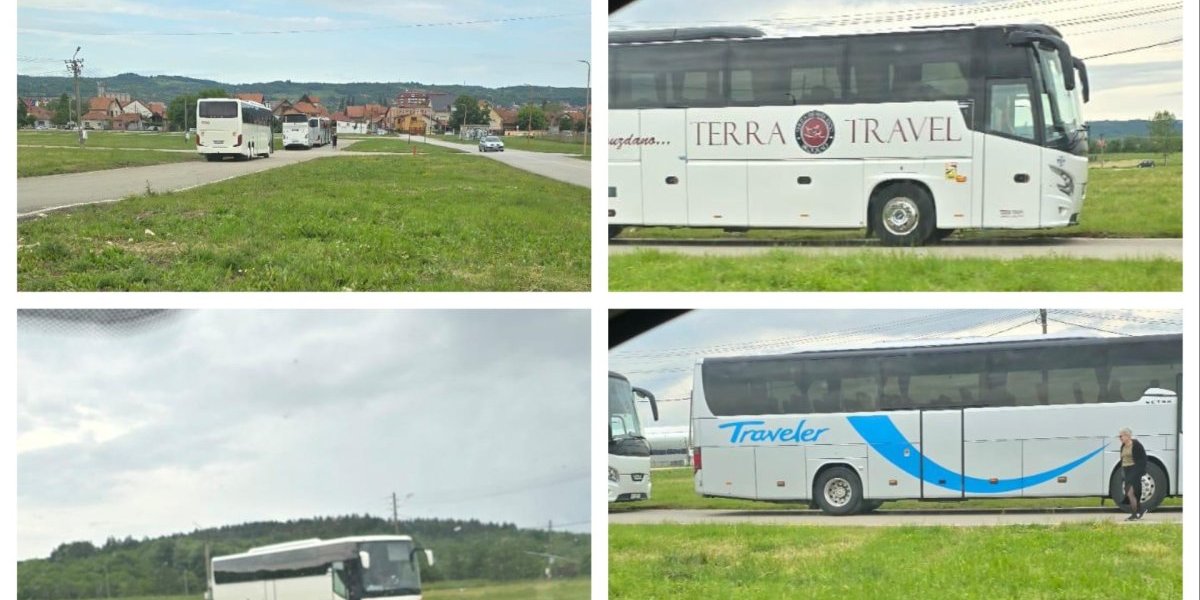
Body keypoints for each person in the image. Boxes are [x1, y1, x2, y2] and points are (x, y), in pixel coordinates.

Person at [1118, 427, 1148, 520]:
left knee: (1130, 493)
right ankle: (1141, 510)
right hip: (1126, 470)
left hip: (1134, 469)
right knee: (1129, 492)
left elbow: (1143, 459)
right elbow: (1123, 459)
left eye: (1121, 436)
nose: (1120, 438)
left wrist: (1138, 471)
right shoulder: (1123, 446)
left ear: (1127, 436)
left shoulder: (1136, 445)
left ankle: (1134, 514)